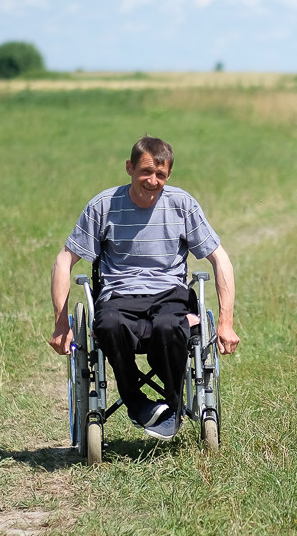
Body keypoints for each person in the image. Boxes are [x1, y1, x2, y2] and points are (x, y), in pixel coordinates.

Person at [48, 136, 239, 440]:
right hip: (119, 295)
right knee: (108, 325)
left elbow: (220, 259)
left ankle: (173, 406)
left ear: (169, 175)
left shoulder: (182, 205)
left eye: (160, 175)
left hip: (169, 296)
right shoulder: (103, 206)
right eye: (146, 172)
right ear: (130, 168)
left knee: (168, 326)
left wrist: (226, 323)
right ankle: (138, 404)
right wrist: (61, 325)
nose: (152, 181)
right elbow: (63, 260)